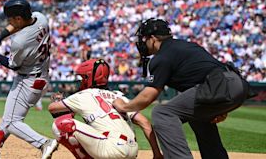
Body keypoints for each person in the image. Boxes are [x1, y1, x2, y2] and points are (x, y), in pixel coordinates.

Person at [112, 18, 250, 159]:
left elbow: (148, 96)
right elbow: (210, 70)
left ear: (153, 38)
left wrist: (124, 106)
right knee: (198, 117)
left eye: (144, 38)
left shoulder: (161, 57)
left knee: (162, 113)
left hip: (219, 87)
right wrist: (220, 107)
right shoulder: (186, 46)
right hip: (236, 84)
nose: (142, 42)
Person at [0, 0, 58, 159]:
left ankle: (43, 142)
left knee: (12, 122)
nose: (9, 23)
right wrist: (0, 37)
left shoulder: (20, 41)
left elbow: (13, 65)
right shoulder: (41, 17)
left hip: (27, 81)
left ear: (19, 18)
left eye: (11, 19)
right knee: (8, 118)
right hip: (41, 77)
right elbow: (15, 26)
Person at [48, 59, 163, 159]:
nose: (81, 80)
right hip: (132, 151)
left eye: (83, 77)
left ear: (89, 78)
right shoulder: (119, 95)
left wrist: (57, 101)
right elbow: (145, 122)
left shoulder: (83, 95)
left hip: (110, 149)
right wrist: (157, 153)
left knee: (60, 124)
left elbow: (53, 109)